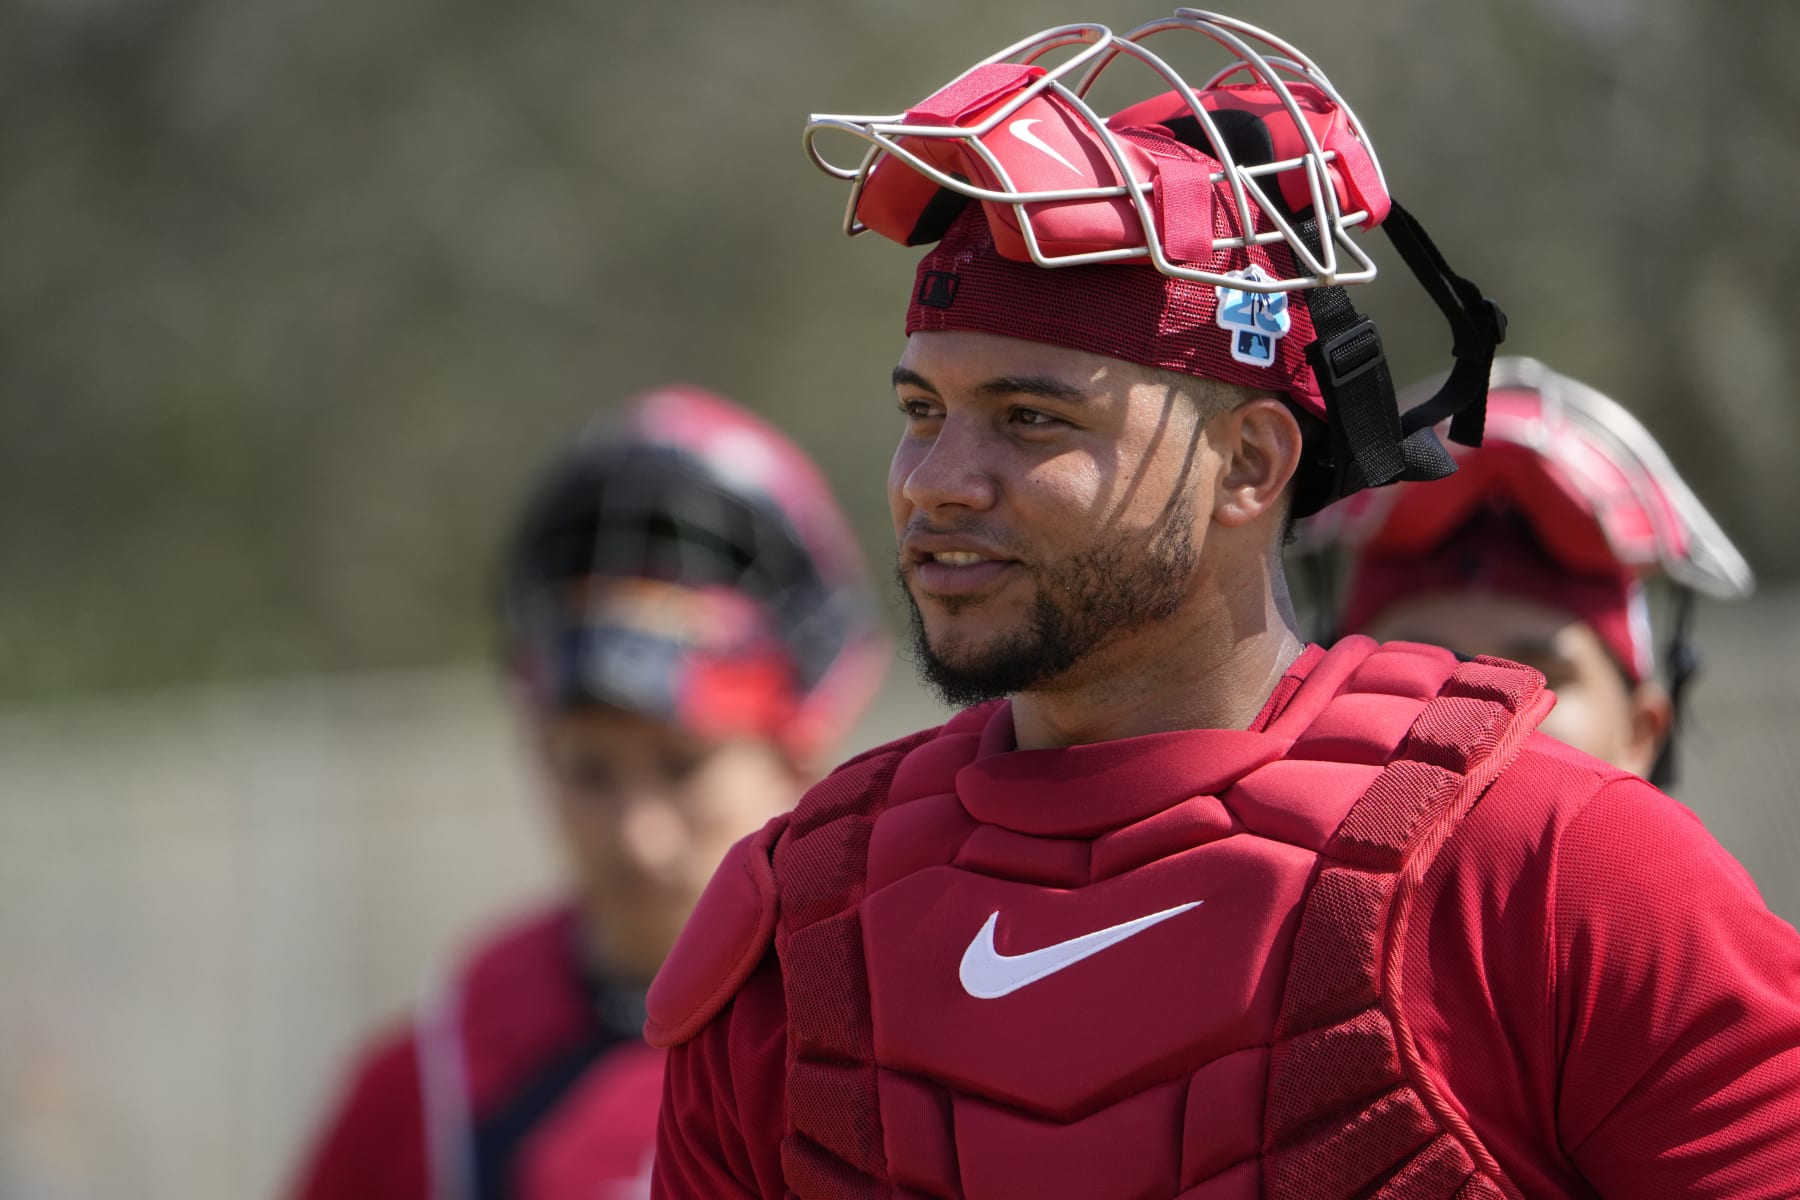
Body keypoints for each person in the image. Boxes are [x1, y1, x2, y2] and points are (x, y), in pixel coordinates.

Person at [648, 12, 1800, 1200]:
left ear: (1251, 464)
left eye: (1033, 419)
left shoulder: (1557, 870)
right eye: (921, 413)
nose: (939, 482)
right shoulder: (800, 930)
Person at [287, 384, 887, 1200]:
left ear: (800, 748)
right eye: (589, 770)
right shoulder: (435, 1093)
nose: (638, 835)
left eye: (683, 766)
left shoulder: (903, 1040)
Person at [1305, 355, 1755, 785]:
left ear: (1640, 733)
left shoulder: (1689, 869)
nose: (1475, 718)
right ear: (1327, 702)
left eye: (1535, 681)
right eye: (1417, 673)